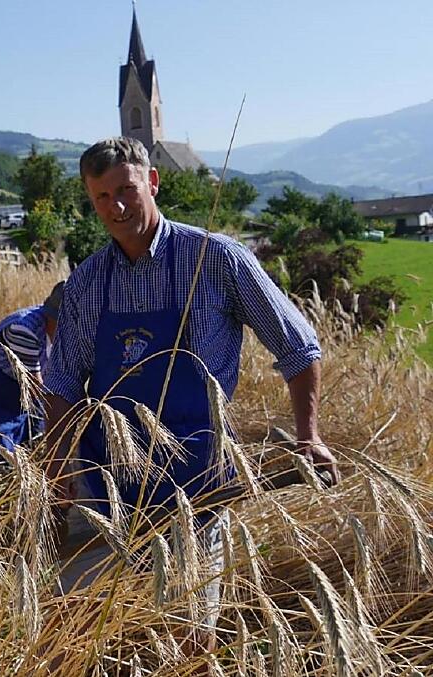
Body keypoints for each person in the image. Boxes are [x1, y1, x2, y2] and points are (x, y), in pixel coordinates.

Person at [42, 137, 339, 647]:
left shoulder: (217, 260)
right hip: (108, 490)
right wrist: (58, 462)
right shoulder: (89, 281)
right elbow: (64, 384)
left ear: (152, 182)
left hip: (196, 487)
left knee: (188, 639)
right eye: (101, 198)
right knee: (88, 636)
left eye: (126, 190)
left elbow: (299, 347)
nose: (115, 207)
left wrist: (307, 435)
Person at [0, 281, 63, 469]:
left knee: (16, 436)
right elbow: (36, 388)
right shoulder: (25, 330)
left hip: (16, 386)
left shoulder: (58, 334)